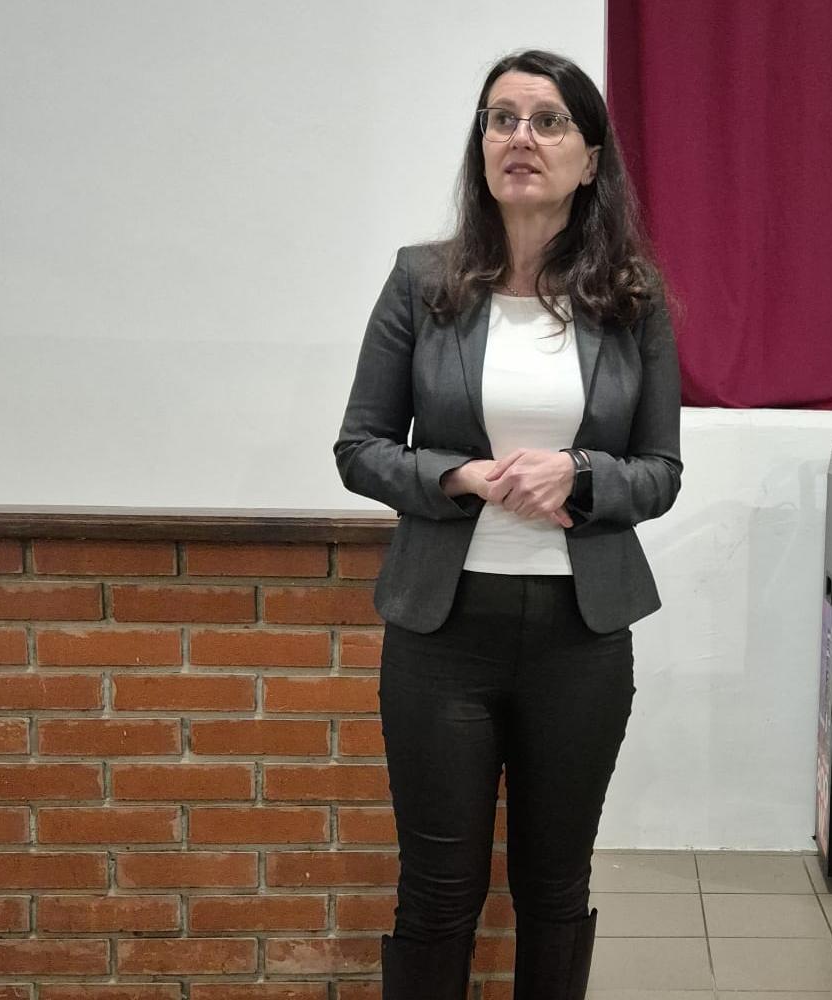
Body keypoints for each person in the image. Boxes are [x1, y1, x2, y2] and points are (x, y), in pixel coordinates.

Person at [333, 49, 681, 1000]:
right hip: (442, 634)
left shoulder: (633, 296)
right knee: (437, 895)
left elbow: (660, 474)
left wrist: (582, 472)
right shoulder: (423, 281)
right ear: (481, 143)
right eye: (501, 119)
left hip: (580, 634)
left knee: (554, 890)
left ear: (590, 158)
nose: (519, 138)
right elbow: (360, 447)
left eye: (547, 120)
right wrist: (456, 475)